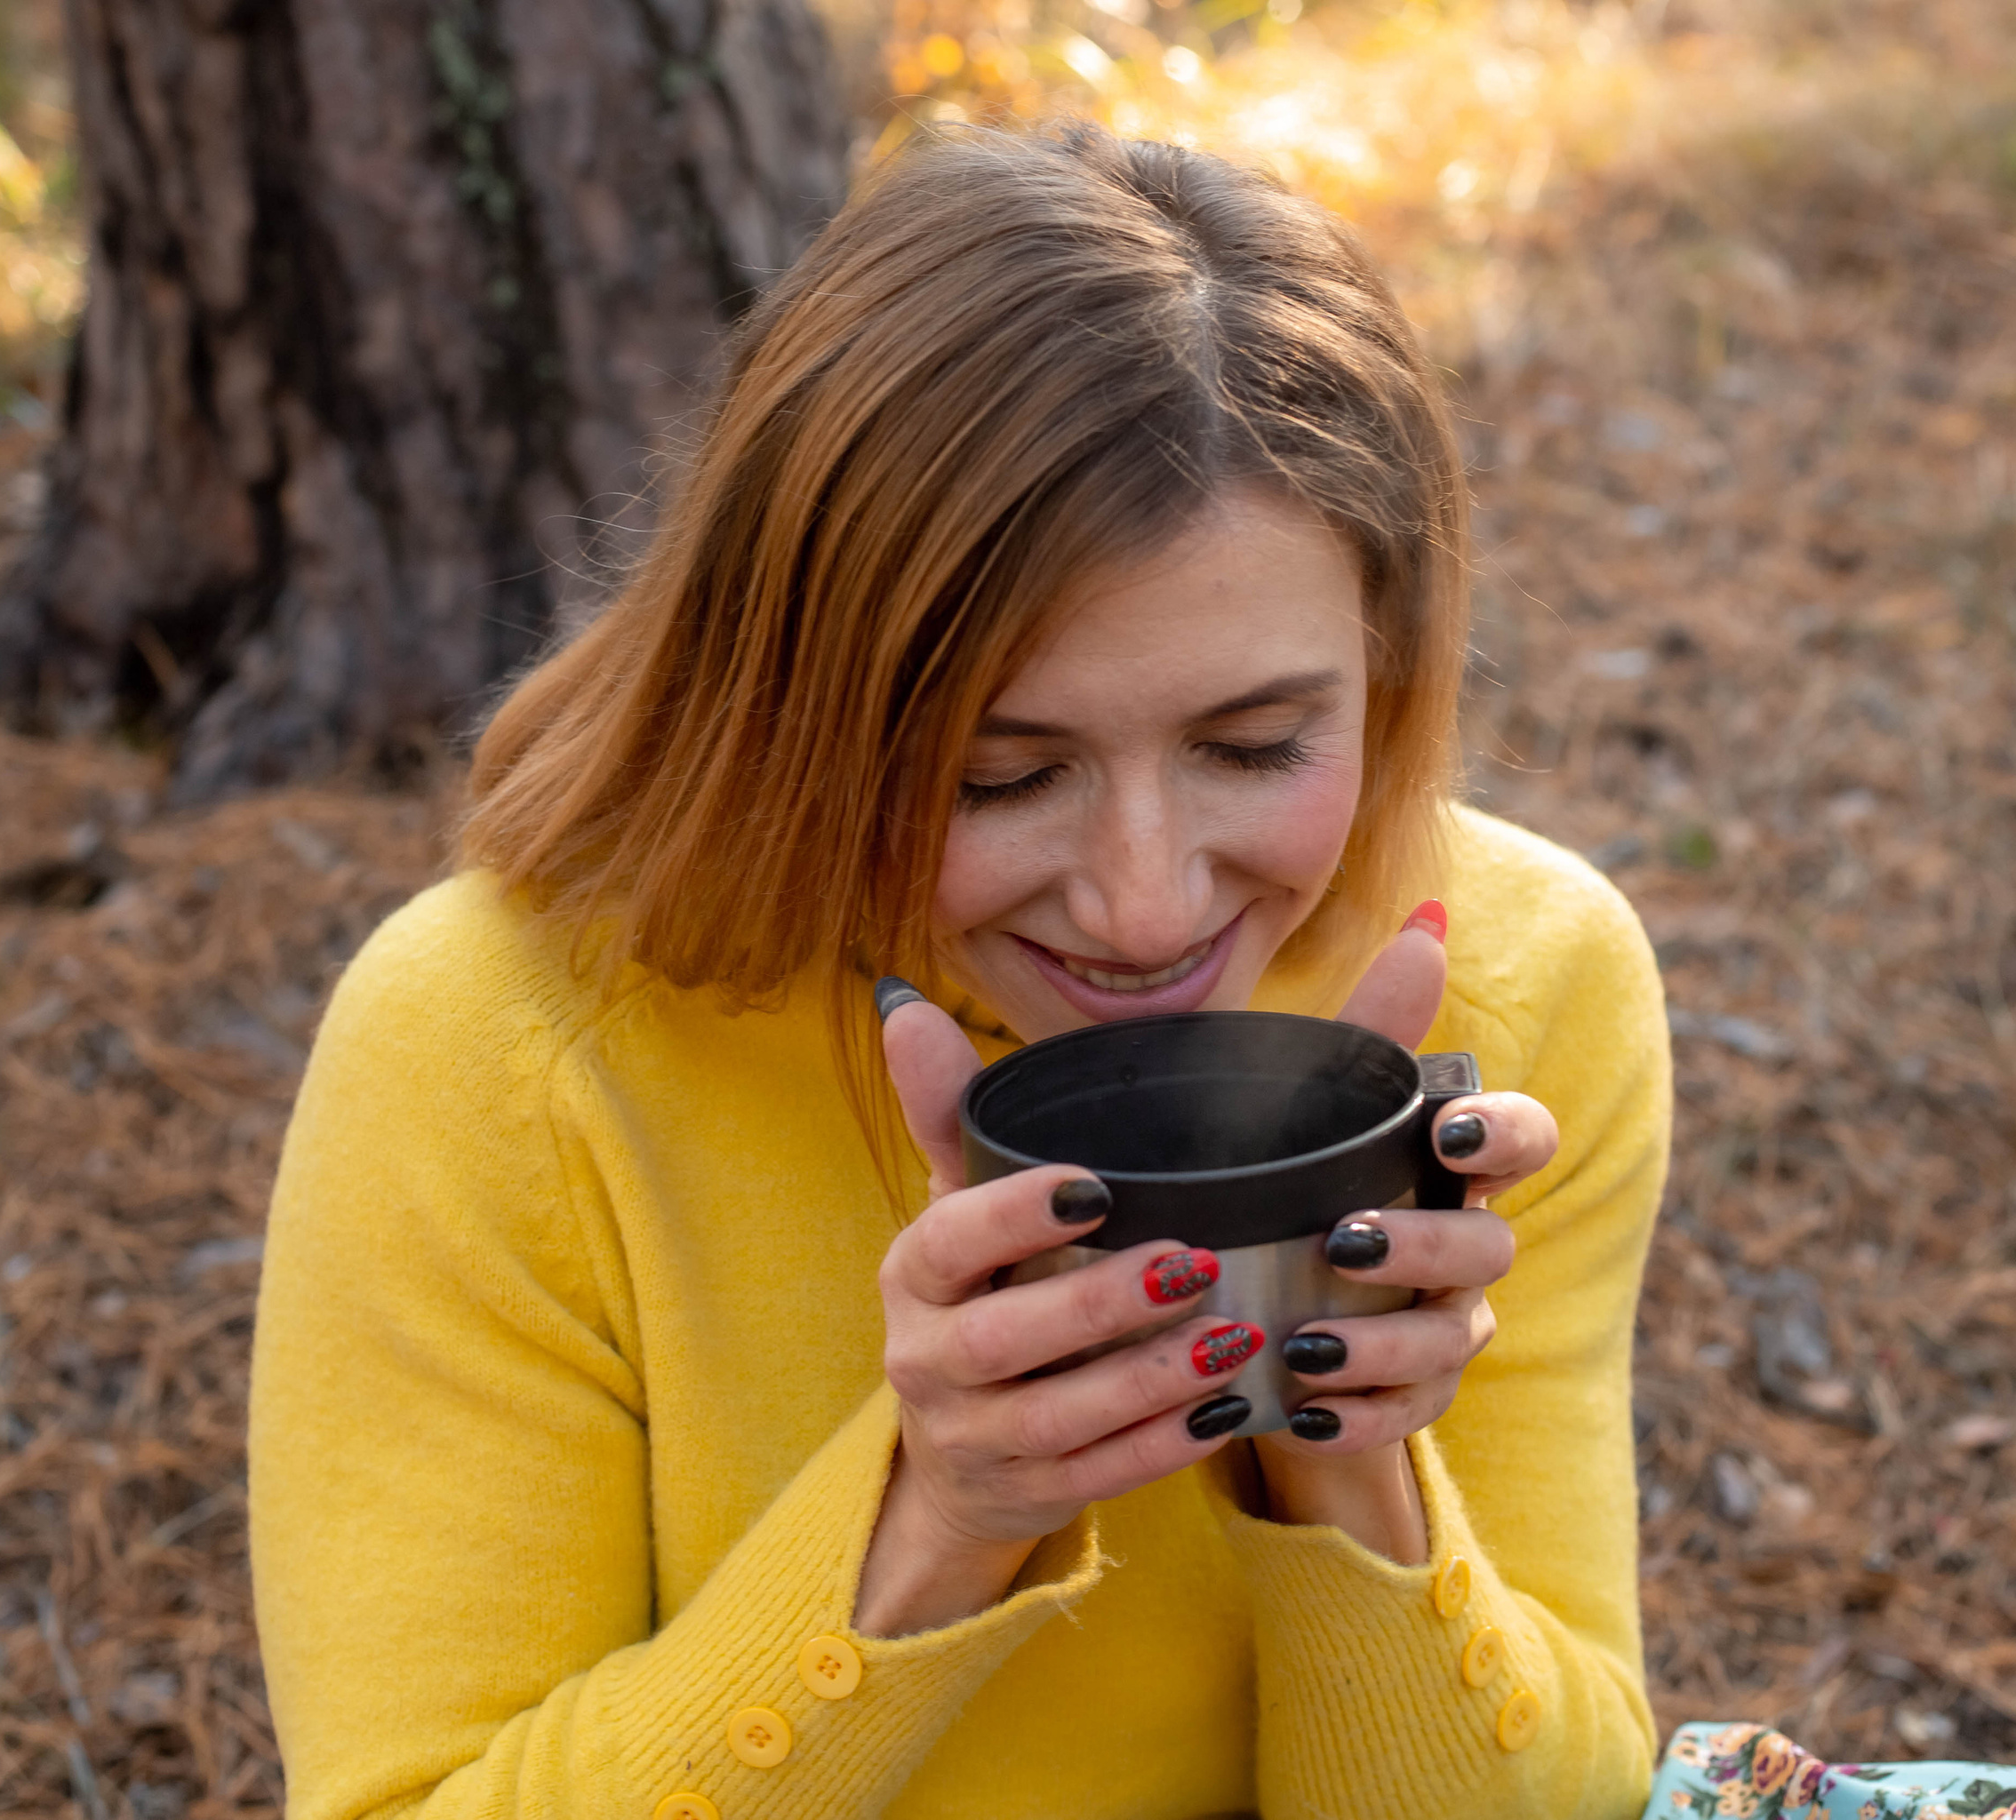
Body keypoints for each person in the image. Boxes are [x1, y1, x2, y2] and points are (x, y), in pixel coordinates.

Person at [248, 123, 1670, 1820]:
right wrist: (934, 1521)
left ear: (1388, 672)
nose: (1145, 908)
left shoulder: (1512, 986)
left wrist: (1348, 1461)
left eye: (1257, 746)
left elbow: (1582, 1792)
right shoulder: (500, 1048)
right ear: (788, 701)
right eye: (1000, 776)